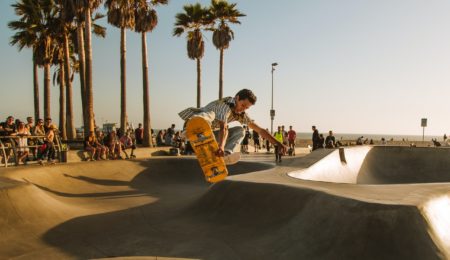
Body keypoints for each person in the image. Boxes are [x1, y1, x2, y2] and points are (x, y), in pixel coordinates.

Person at [179, 89, 287, 164]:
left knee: (241, 131)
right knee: (210, 115)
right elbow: (223, 128)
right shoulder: (225, 104)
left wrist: (277, 143)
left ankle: (225, 155)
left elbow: (260, 130)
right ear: (237, 98)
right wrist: (221, 145)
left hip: (209, 135)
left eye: (246, 108)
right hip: (197, 123)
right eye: (243, 105)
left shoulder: (241, 115)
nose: (243, 109)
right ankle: (190, 128)